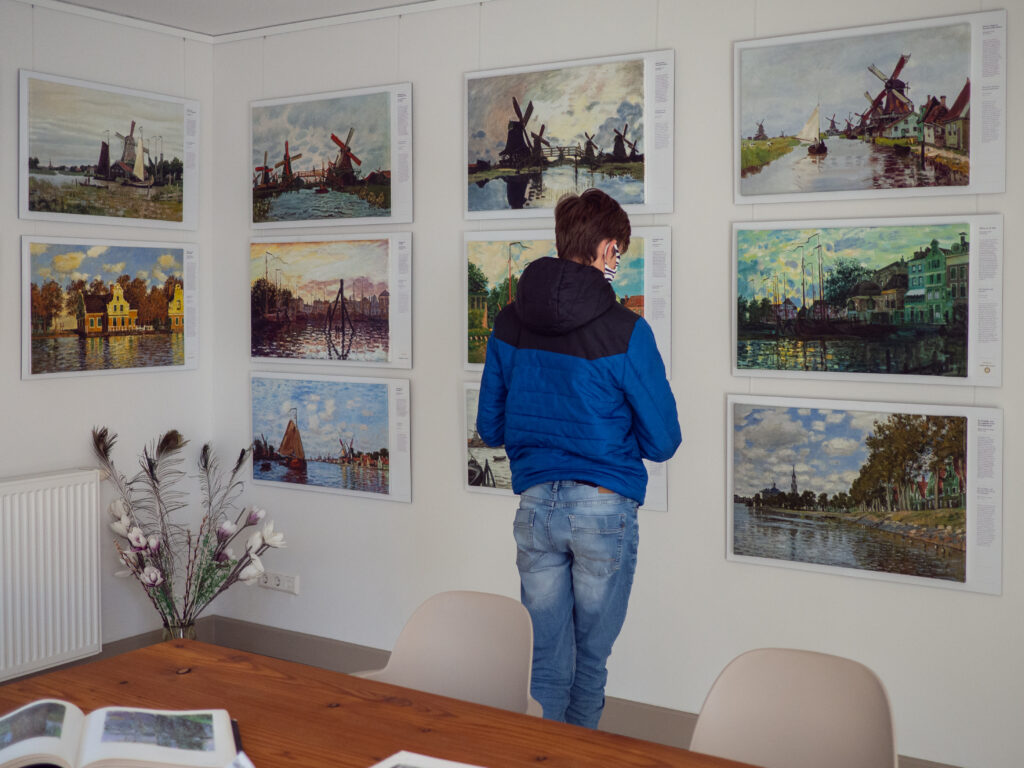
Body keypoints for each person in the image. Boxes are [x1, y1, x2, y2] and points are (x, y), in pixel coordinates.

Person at [475, 188, 681, 728]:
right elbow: (663, 442)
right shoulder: (626, 331)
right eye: (621, 252)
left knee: (544, 662)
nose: (620, 262)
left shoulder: (508, 322)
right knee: (589, 663)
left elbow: (490, 427)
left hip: (536, 507)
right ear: (608, 249)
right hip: (603, 512)